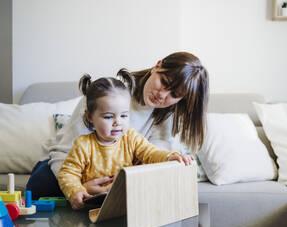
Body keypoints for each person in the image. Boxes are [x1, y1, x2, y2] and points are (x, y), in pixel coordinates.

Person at [26, 51, 209, 200]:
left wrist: (171, 158)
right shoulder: (108, 94)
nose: (162, 95)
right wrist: (78, 187)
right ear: (157, 65)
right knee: (42, 182)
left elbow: (153, 162)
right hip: (66, 168)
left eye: (174, 94)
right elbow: (62, 155)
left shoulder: (167, 114)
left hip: (115, 179)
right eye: (164, 83)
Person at [59, 70, 194, 209]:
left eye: (124, 116)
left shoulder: (131, 138)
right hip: (92, 203)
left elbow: (151, 153)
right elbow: (67, 173)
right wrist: (76, 191)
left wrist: (170, 156)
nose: (118, 123)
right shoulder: (83, 144)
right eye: (108, 117)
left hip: (125, 204)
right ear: (90, 117)